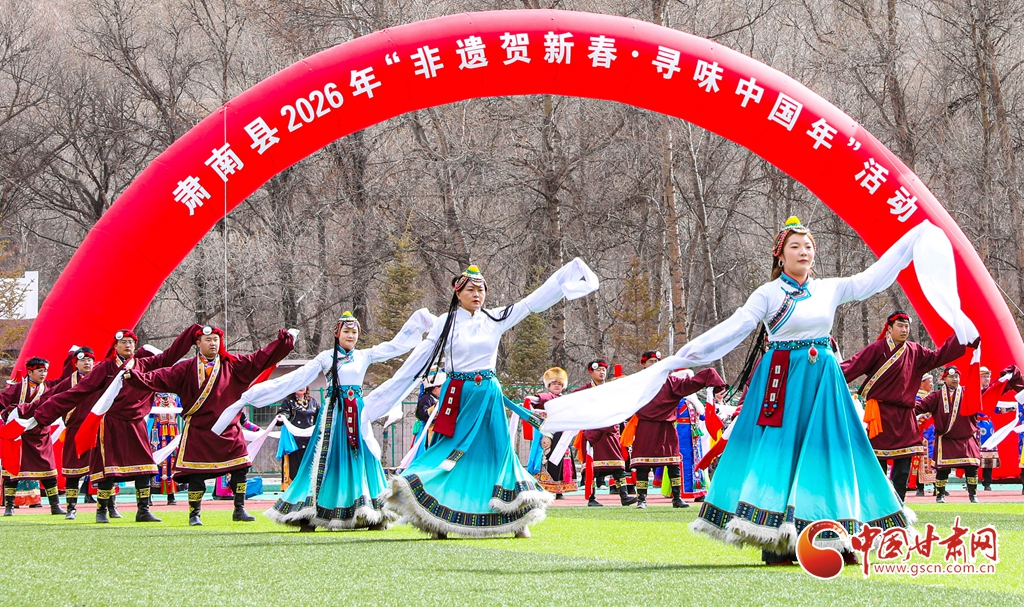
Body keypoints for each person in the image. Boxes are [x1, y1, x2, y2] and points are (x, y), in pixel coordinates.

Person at [543, 217, 978, 563]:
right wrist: (684, 357)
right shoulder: (768, 294)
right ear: (780, 254)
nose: (804, 252)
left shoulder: (830, 288)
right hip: (782, 380)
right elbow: (733, 330)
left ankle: (835, 532)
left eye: (809, 247)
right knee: (779, 453)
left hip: (823, 382)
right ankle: (776, 537)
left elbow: (876, 277)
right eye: (796, 246)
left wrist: (915, 239)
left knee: (831, 453)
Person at [362, 260, 599, 538]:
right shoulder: (445, 323)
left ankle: (516, 518)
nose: (477, 295)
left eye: (481, 290)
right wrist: (384, 397)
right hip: (457, 397)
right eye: (471, 290)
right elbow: (417, 362)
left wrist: (567, 276)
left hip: (488, 395)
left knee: (498, 451)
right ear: (458, 293)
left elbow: (530, 303)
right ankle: (438, 518)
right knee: (449, 452)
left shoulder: (494, 318)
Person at [223, 309, 434, 531]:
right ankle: (311, 512)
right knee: (324, 460)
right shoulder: (326, 357)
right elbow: (298, 377)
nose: (351, 336)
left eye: (354, 332)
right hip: (333, 415)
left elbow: (395, 346)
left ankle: (371, 513)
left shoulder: (365, 355)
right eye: (346, 331)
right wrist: (258, 393)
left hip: (357, 415)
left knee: (362, 458)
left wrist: (422, 325)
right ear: (337, 333)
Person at [24, 326, 202, 523]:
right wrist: (43, 414)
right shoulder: (105, 368)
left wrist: (193, 333)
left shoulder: (144, 364)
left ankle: (143, 510)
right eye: (123, 342)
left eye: (131, 342)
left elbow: (169, 356)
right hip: (110, 423)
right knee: (108, 469)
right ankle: (101, 511)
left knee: (145, 467)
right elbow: (78, 392)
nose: (128, 345)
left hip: (135, 422)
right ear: (115, 346)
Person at [123, 325, 294, 526]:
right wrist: (135, 377)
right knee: (196, 475)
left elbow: (260, 358)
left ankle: (239, 509)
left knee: (241, 468)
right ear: (198, 343)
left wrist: (282, 343)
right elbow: (160, 377)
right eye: (208, 340)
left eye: (216, 340)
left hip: (228, 430)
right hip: (198, 429)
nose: (213, 343)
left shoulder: (234, 364)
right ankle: (194, 514)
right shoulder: (185, 368)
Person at [841, 310, 967, 503]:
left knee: (904, 466)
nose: (904, 330)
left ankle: (899, 503)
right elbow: (853, 366)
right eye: (900, 326)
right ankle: (878, 504)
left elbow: (938, 357)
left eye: (907, 326)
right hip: (880, 414)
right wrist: (825, 372)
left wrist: (961, 336)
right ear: (889, 329)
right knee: (878, 464)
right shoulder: (877, 349)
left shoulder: (915, 351)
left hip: (906, 415)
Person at [631, 367, 725, 509]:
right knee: (642, 464)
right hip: (646, 427)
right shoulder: (640, 382)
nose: (655, 364)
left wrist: (711, 376)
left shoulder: (672, 382)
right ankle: (641, 500)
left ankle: (677, 498)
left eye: (657, 362)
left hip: (667, 427)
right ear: (644, 364)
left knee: (673, 463)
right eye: (651, 362)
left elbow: (691, 384)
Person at [1, 357, 66, 516]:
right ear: (30, 372)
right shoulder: (17, 389)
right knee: (12, 470)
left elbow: (66, 381)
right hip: (19, 435)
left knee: (48, 470)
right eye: (40, 371)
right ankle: (9, 507)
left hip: (40, 435)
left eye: (45, 371)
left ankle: (55, 505)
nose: (43, 374)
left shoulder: (48, 387)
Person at [575, 360, 637, 507]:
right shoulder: (583, 391)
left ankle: (624, 496)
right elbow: (573, 403)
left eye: (603, 370)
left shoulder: (611, 389)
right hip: (593, 433)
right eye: (598, 370)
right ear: (591, 372)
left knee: (618, 466)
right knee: (592, 467)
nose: (602, 372)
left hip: (610, 432)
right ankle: (591, 497)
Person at [915, 366, 981, 503]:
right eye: (951, 377)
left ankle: (973, 495)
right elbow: (919, 407)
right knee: (942, 469)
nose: (955, 379)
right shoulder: (936, 396)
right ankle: (940, 495)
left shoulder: (967, 392)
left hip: (966, 437)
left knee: (971, 467)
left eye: (957, 376)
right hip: (945, 438)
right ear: (944, 378)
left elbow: (984, 397)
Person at [527, 367, 576, 498]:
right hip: (548, 434)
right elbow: (535, 401)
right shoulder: (545, 398)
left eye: (559, 383)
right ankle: (545, 487)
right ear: (548, 385)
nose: (557, 386)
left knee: (562, 460)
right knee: (547, 458)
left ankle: (559, 489)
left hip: (562, 434)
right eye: (554, 383)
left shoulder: (566, 400)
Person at [278, 387, 318, 491]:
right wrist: (282, 417)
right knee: (295, 470)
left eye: (304, 384)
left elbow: (320, 418)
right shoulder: (288, 402)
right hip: (294, 443)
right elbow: (283, 414)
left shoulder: (313, 402)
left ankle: (309, 492)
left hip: (310, 442)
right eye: (299, 384)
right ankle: (293, 493)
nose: (301, 387)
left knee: (310, 469)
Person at [149, 392, 181, 505]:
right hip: (157, 435)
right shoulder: (152, 397)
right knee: (155, 459)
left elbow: (182, 412)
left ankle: (171, 494)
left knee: (171, 460)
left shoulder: (175, 398)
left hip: (172, 435)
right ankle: (148, 493)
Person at [410, 370, 446, 465]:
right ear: (435, 388)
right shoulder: (426, 398)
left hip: (434, 429)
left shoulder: (436, 399)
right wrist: (434, 409)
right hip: (426, 430)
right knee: (425, 450)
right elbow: (423, 414)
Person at [914, 374, 938, 497]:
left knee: (935, 458)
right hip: (921, 432)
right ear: (922, 383)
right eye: (930, 381)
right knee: (920, 458)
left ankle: (937, 486)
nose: (932, 384)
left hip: (933, 433)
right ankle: (920, 487)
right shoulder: (916, 397)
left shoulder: (933, 396)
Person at [977, 367, 1000, 490]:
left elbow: (996, 409)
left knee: (988, 454)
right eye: (984, 376)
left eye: (988, 376)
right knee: (973, 455)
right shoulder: (972, 392)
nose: (987, 379)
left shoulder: (991, 392)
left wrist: (1014, 408)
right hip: (976, 425)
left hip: (988, 426)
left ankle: (987, 482)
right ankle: (971, 481)